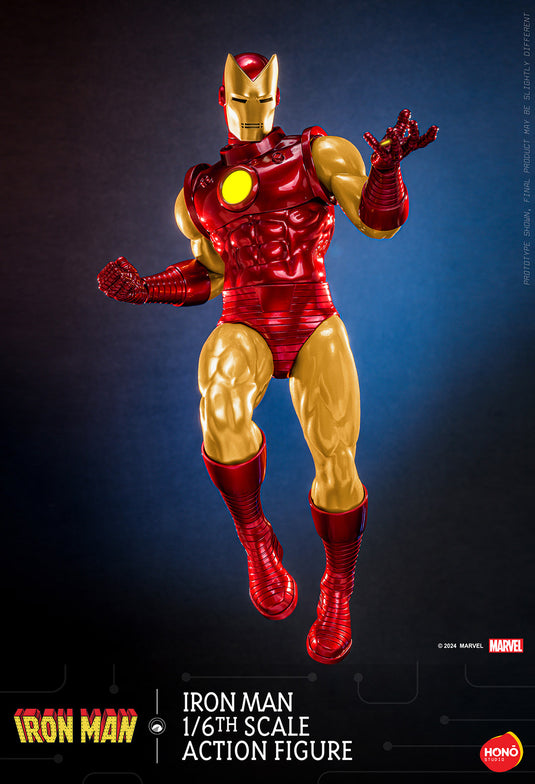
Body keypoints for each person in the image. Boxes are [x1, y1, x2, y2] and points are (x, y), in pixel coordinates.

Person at [97, 52, 437, 664]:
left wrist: (386, 170)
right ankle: (256, 538)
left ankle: (338, 588)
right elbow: (210, 273)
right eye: (241, 100)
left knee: (337, 463)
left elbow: (378, 221)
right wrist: (146, 287)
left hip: (312, 317)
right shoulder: (197, 191)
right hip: (245, 318)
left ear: (276, 100)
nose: (253, 111)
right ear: (222, 100)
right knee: (219, 410)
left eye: (263, 100)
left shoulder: (319, 153)